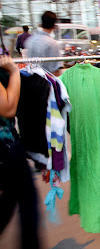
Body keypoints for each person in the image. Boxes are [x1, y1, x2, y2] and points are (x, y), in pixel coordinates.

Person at [0, 56, 40, 249]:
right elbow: (7, 107)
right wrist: (15, 72)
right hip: (4, 145)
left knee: (10, 194)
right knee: (26, 197)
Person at [25, 11, 62, 76]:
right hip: (46, 82)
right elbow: (55, 71)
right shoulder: (52, 44)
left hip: (30, 79)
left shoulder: (30, 40)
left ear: (41, 24)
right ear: (54, 26)